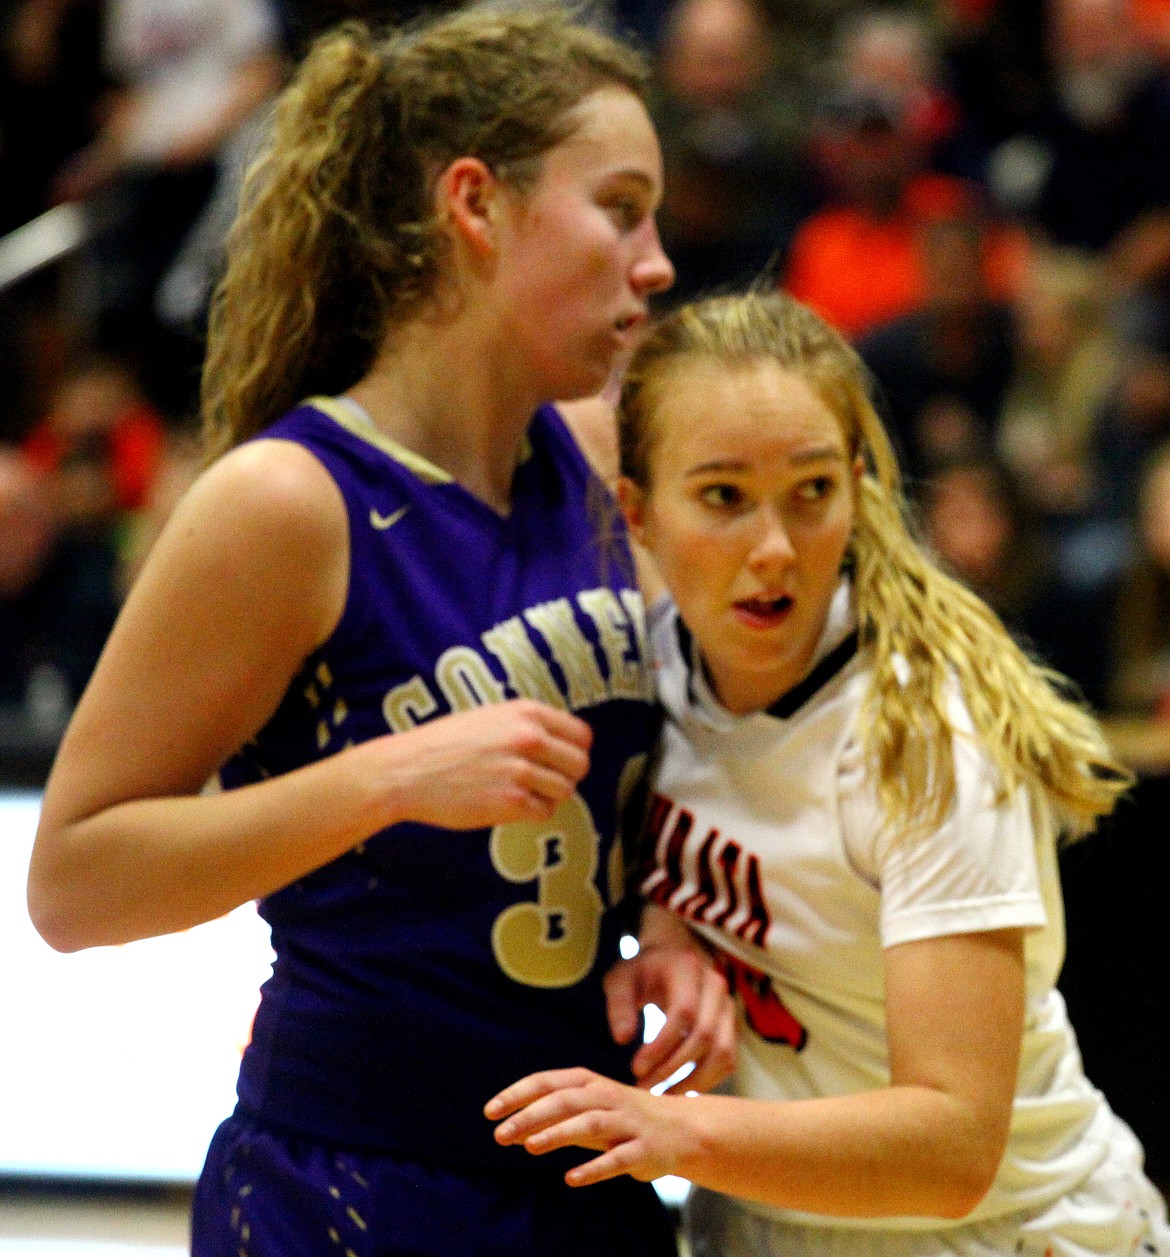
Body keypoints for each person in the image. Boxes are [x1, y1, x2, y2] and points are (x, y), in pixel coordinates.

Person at [25, 9, 737, 1256]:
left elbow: (674, 756)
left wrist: (671, 924)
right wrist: (384, 780)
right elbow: (75, 883)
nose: (658, 261)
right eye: (622, 209)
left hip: (584, 1172)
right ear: (477, 205)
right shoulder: (287, 501)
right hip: (350, 1187)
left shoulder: (597, 456)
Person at [487, 288, 1170, 1257]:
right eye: (724, 497)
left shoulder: (924, 739)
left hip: (1000, 1230)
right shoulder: (654, 668)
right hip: (772, 1219)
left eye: (811, 493)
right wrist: (667, 926)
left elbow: (952, 1144)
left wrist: (675, 1130)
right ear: (637, 512)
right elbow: (706, 827)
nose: (774, 549)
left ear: (858, 487)